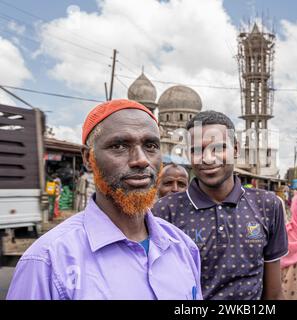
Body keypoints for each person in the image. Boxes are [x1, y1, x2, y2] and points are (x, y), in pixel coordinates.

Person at [7, 99, 202, 300]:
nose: (141, 160)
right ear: (87, 158)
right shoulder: (47, 261)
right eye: (119, 146)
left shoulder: (183, 247)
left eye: (151, 145)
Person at [153, 110, 288, 300]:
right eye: (196, 150)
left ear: (235, 149)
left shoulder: (267, 205)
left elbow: (274, 293)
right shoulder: (165, 211)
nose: (208, 159)